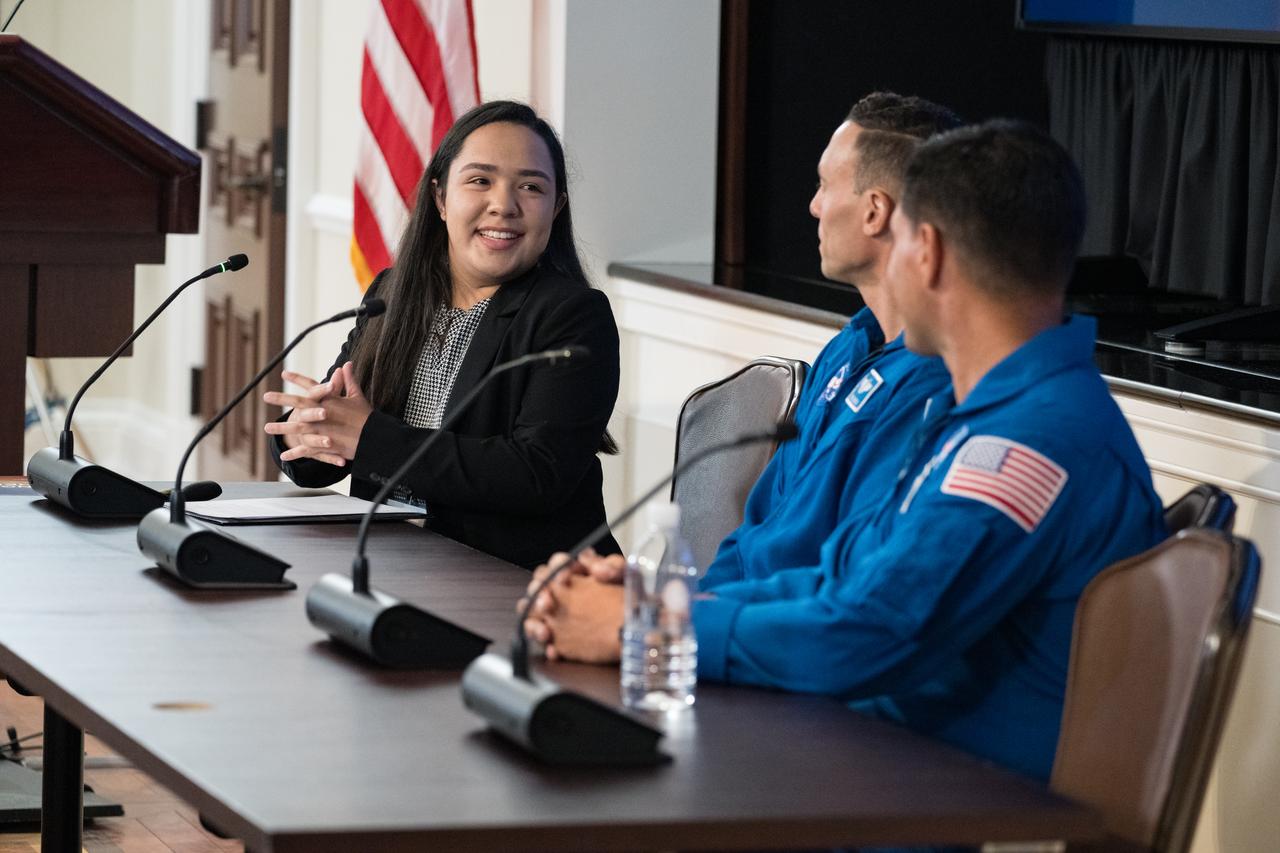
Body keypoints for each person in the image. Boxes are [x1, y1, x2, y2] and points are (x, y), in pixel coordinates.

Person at [524, 120, 1167, 781]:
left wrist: (648, 632)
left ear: (929, 254)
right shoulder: (989, 416)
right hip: (863, 763)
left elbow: (870, 631)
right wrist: (660, 605)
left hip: (936, 801)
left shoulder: (1030, 443)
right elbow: (844, 578)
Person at [263, 101, 621, 570]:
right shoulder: (394, 293)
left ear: (556, 207)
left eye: (531, 187)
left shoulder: (572, 315)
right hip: (390, 564)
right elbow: (342, 429)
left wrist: (368, 437)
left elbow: (536, 475)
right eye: (480, 180)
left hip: (518, 581)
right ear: (440, 198)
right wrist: (311, 431)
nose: (503, 205)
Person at [703, 92, 961, 590]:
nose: (814, 205)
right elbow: (757, 528)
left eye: (825, 185)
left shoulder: (933, 377)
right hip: (733, 624)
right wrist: (679, 609)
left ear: (875, 213)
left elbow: (848, 581)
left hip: (788, 641)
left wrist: (698, 623)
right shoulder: (849, 344)